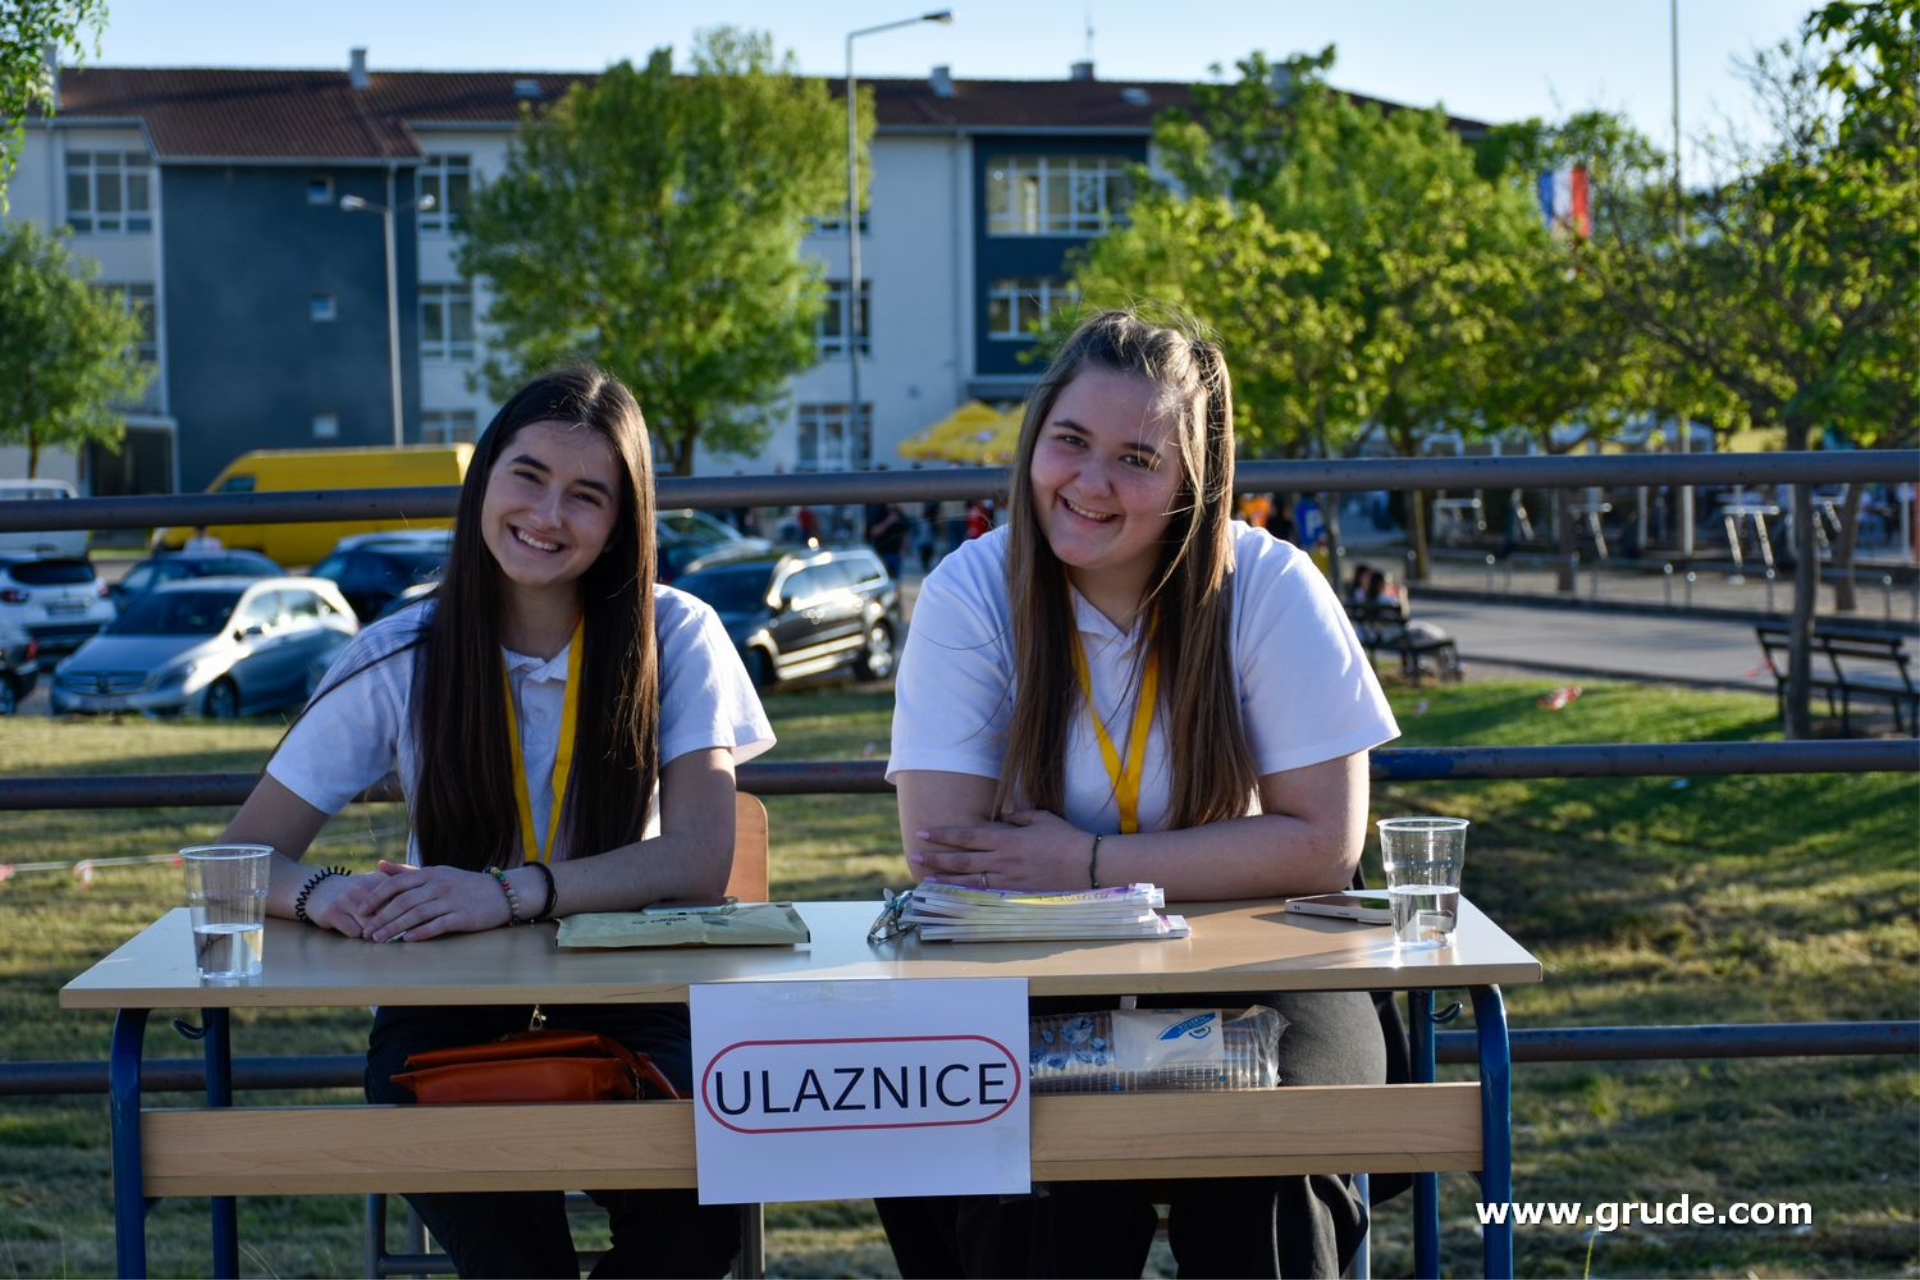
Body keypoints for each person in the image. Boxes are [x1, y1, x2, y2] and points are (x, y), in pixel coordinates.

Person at [216, 366, 774, 1280]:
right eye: (528, 476)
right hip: (447, 1017)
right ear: (483, 481)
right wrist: (326, 895)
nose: (548, 515)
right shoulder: (401, 651)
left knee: (697, 1233)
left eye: (587, 495)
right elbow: (236, 860)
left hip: (635, 1007)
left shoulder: (678, 633)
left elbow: (701, 858)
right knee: (518, 1265)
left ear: (622, 522)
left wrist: (508, 894)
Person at [883, 310, 1399, 1279]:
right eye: (1070, 441)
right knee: (1023, 1169)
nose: (1089, 481)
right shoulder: (972, 589)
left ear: (1192, 484)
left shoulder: (1271, 584)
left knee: (1275, 1155)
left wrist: (1082, 863)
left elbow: (1323, 844)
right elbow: (946, 849)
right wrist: (1210, 857)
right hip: (1026, 969)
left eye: (1136, 459)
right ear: (1034, 440)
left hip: (1262, 956)